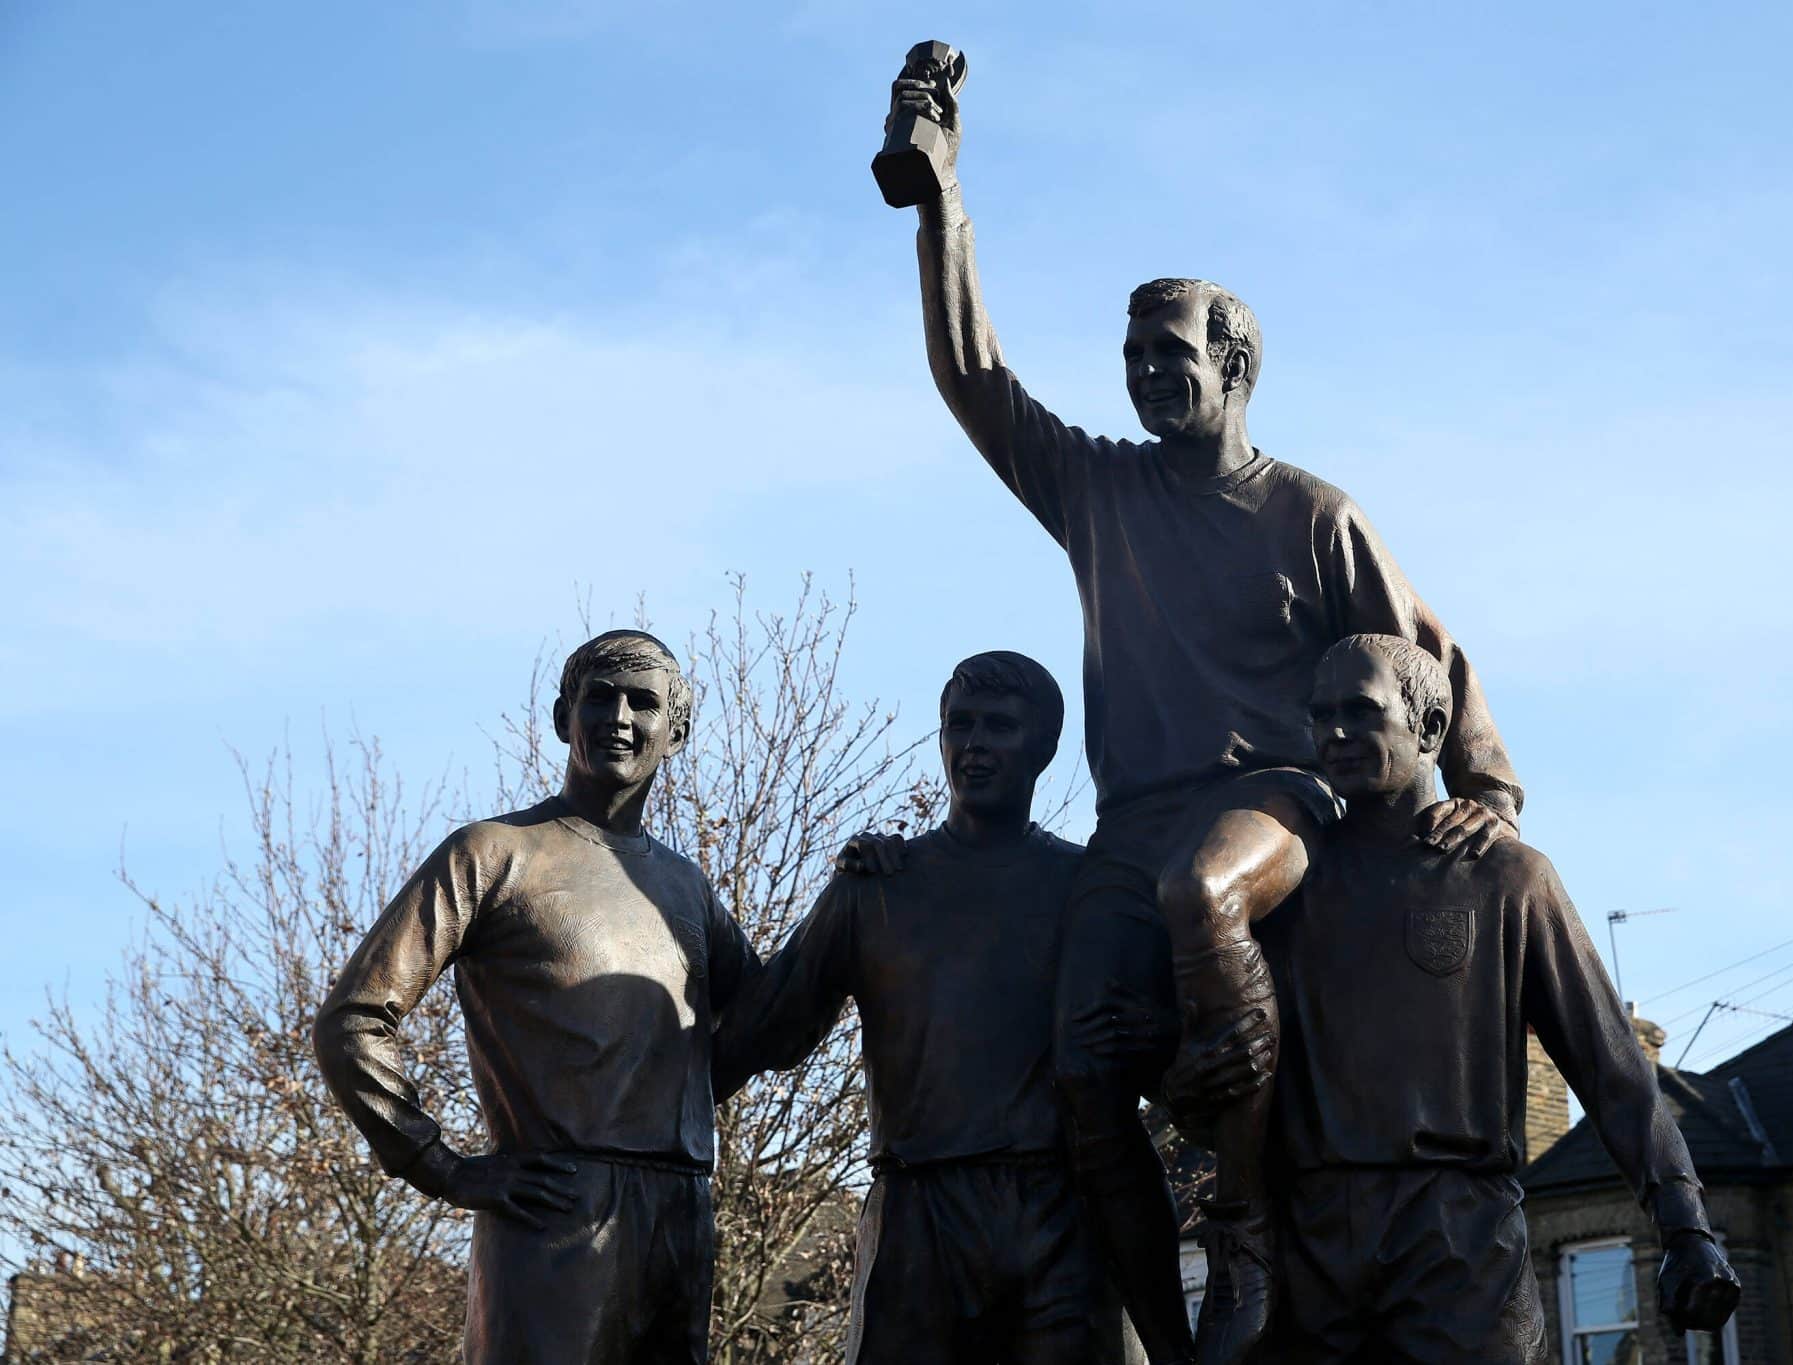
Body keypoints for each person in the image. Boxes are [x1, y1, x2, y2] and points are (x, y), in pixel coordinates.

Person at [888, 63, 1523, 1365]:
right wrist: (942, 197)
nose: (1143, 377)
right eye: (1130, 358)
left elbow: (1432, 651)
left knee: (1201, 893)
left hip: (1270, 805)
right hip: (1131, 822)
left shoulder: (1311, 514)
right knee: (1078, 1070)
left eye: (1169, 356)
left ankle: (1239, 1225)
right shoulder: (1099, 492)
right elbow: (973, 374)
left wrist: (1489, 793)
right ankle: (1171, 1340)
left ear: (1235, 366)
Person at [1215, 633, 1740, 1361]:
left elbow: (1613, 1070)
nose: (1333, 733)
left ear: (1430, 729)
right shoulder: (1288, 882)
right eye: (1321, 714)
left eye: (1360, 712)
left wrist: (1686, 1227)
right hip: (1315, 1243)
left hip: (1461, 1239)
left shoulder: (1507, 876)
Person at [314, 630, 759, 1365]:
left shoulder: (685, 888)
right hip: (556, 1216)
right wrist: (441, 1164)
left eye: (642, 702)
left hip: (680, 1218)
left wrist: (862, 895)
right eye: (600, 697)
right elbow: (353, 1020)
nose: (619, 715)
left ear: (676, 733)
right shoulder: (493, 852)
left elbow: (767, 1019)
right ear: (563, 717)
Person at [714, 651, 1127, 1364]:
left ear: (1045, 745)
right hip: (918, 1216)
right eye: (958, 725)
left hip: (1059, 1213)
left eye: (999, 726)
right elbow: (758, 1030)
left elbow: (1153, 1044)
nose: (973, 745)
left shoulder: (1087, 886)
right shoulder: (876, 887)